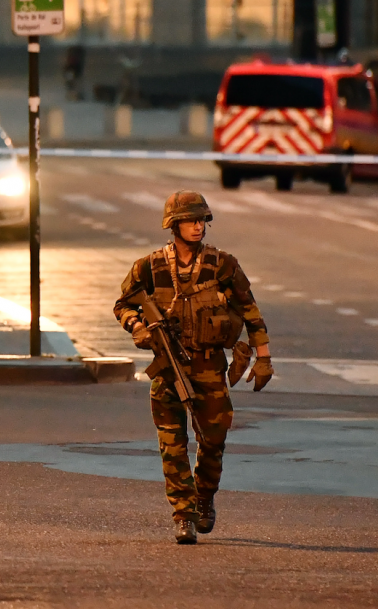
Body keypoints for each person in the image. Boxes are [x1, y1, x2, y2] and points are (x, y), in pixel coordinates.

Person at [113, 191, 274, 545]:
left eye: (202, 219)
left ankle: (204, 497)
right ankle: (183, 514)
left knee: (213, 440)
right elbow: (122, 304)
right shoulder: (150, 266)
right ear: (174, 225)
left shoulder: (222, 264)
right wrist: (135, 325)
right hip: (168, 369)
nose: (198, 226)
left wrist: (263, 358)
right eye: (191, 220)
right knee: (172, 444)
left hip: (209, 367)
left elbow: (251, 311)